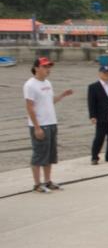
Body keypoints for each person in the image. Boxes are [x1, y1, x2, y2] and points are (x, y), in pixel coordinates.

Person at [23, 55, 73, 193]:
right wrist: (37, 127)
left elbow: (50, 101)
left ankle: (48, 181)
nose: (48, 69)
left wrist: (62, 95)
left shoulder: (47, 83)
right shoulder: (30, 85)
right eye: (44, 66)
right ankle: (37, 184)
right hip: (40, 125)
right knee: (39, 154)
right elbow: (29, 107)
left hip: (51, 123)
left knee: (50, 154)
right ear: (36, 68)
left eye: (48, 66)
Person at [87, 62, 108, 164]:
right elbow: (91, 102)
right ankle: (94, 157)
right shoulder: (93, 87)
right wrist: (92, 116)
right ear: (100, 73)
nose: (106, 75)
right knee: (99, 137)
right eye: (104, 73)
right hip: (101, 116)